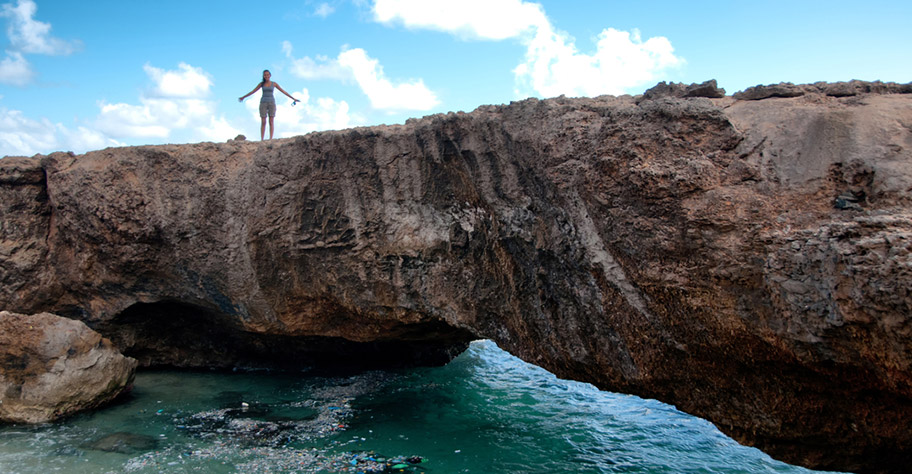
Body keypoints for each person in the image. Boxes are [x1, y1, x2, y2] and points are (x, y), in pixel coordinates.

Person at [239, 70, 299, 140]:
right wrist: (243, 97)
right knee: (263, 121)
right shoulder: (261, 84)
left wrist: (293, 98)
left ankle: (270, 138)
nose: (266, 76)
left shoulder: (274, 84)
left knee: (271, 121)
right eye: (265, 75)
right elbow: (253, 91)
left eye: (267, 75)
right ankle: (262, 139)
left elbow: (283, 91)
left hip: (271, 103)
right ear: (263, 76)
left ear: (270, 75)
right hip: (263, 103)